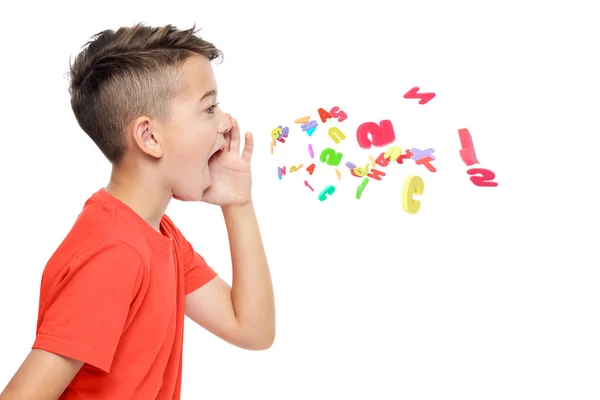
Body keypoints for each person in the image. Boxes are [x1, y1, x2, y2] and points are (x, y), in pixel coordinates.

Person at [0, 22, 275, 400]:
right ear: (149, 137)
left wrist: (238, 205)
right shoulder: (115, 253)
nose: (226, 123)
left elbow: (253, 329)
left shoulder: (160, 236)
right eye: (209, 108)